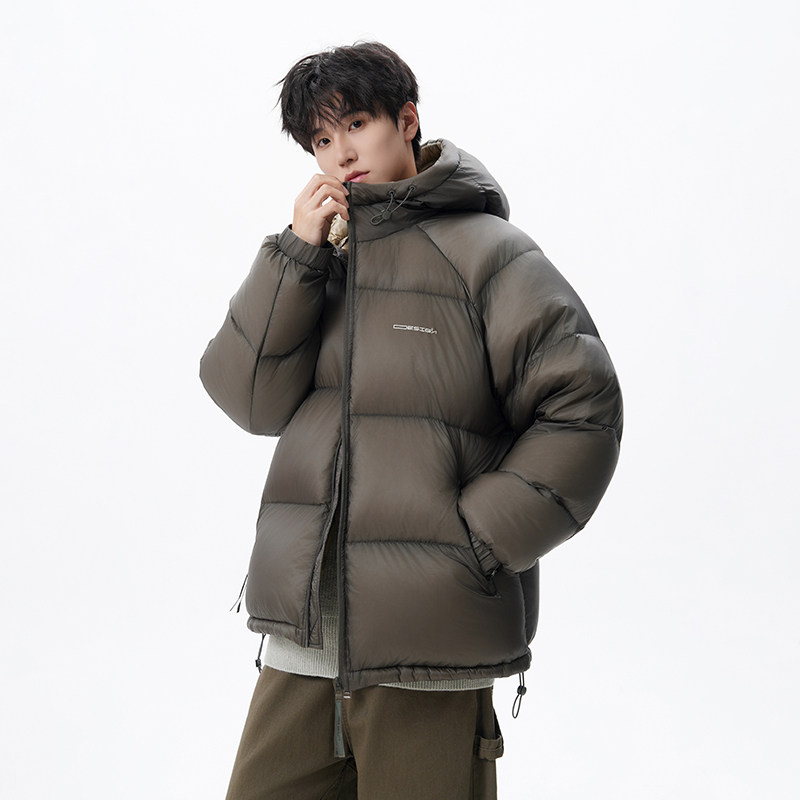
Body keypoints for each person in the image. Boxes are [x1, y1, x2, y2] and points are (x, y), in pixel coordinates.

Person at [199, 41, 623, 800]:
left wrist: (476, 540)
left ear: (407, 119)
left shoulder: (489, 254)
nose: (341, 153)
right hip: (305, 645)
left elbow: (583, 407)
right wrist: (295, 256)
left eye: (356, 124)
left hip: (430, 646)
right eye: (321, 139)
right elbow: (248, 398)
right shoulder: (321, 259)